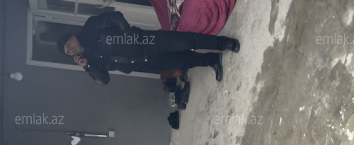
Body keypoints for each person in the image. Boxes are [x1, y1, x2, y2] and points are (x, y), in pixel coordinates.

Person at [57, 11, 239, 85]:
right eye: (68, 53)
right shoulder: (91, 60)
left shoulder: (91, 27)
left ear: (71, 37)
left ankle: (223, 43)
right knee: (182, 61)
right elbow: (104, 80)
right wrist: (87, 66)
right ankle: (212, 60)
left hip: (145, 41)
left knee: (185, 41)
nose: (71, 50)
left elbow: (115, 17)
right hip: (142, 63)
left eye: (68, 46)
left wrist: (128, 33)